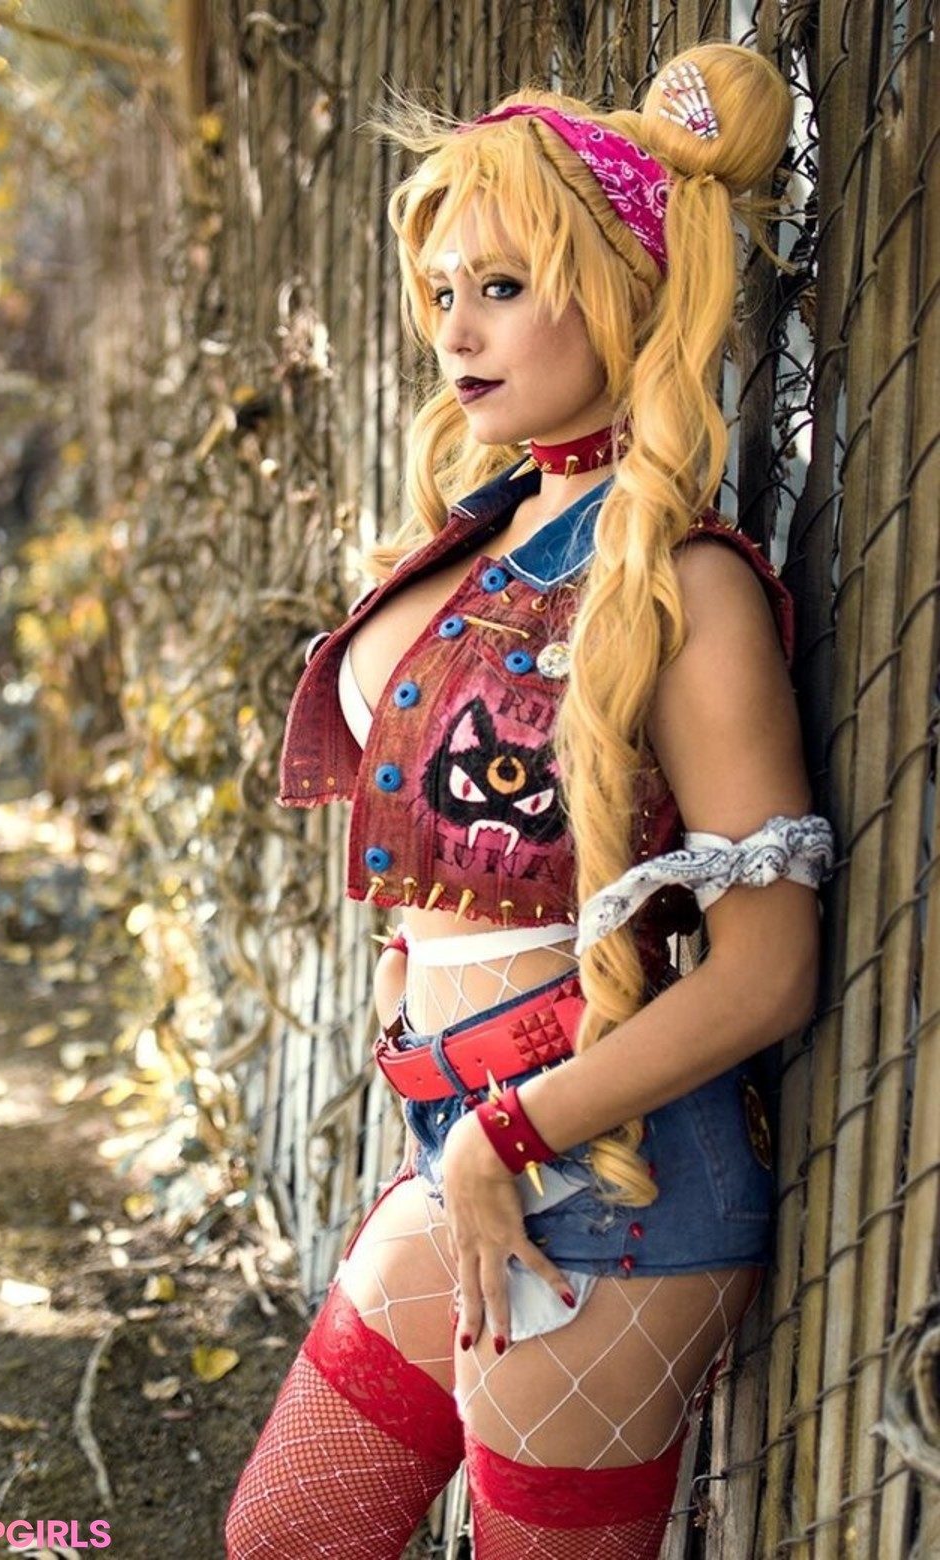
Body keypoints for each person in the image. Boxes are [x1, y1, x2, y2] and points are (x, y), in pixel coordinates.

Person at [225, 41, 833, 1560]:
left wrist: (505, 1133)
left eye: (501, 288)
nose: (454, 331)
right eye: (441, 291)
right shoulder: (484, 534)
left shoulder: (684, 587)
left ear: (620, 290)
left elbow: (768, 969)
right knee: (285, 1534)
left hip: (611, 1185)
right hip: (464, 1146)